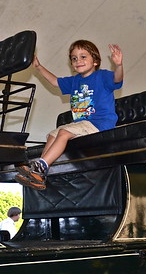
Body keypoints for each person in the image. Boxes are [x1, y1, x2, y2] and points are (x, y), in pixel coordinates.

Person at [15, 40, 123, 190]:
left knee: (64, 132)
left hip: (99, 124)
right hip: (82, 124)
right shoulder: (75, 81)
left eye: (83, 56)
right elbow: (54, 82)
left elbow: (117, 78)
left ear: (95, 61)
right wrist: (39, 67)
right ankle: (38, 174)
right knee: (52, 134)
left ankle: (40, 167)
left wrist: (118, 65)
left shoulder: (102, 76)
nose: (78, 61)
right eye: (74, 58)